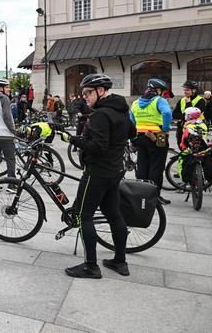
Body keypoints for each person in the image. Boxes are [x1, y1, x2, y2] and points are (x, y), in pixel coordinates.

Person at [58, 74, 130, 279]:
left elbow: (98, 147)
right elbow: (131, 133)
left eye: (88, 93)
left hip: (97, 172)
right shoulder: (122, 110)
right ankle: (120, 261)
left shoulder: (100, 115)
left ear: (100, 91)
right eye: (83, 94)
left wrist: (75, 139)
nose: (85, 97)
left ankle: (91, 266)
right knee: (114, 214)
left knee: (83, 215)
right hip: (115, 170)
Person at [130, 78, 173, 205]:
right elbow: (167, 113)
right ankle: (154, 196)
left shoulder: (136, 103)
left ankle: (142, 195)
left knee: (143, 166)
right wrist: (165, 128)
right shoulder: (159, 100)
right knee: (156, 167)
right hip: (157, 137)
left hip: (140, 137)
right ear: (158, 90)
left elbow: (131, 120)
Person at [177, 107, 212, 187]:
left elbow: (183, 140)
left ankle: (187, 180)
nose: (185, 116)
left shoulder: (187, 126)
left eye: (186, 115)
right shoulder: (203, 124)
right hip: (204, 149)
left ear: (190, 116)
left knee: (182, 159)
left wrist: (182, 147)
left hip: (192, 150)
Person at [172, 80, 206, 147]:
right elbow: (174, 114)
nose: (185, 92)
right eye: (184, 90)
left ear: (194, 90)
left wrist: (188, 103)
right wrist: (184, 116)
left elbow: (192, 115)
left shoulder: (201, 100)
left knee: (195, 148)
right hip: (181, 128)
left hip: (195, 128)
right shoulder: (181, 100)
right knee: (181, 147)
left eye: (187, 90)